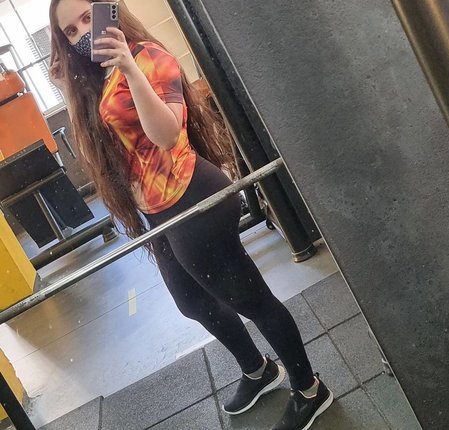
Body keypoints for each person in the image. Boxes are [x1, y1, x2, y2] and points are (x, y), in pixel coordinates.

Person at [49, 1, 333, 428]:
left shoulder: (148, 57)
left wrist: (129, 68)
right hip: (159, 211)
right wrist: (69, 88)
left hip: (193, 196)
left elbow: (166, 135)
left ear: (110, 11)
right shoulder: (99, 78)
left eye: (88, 17)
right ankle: (258, 370)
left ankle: (310, 389)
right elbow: (104, 149)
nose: (82, 34)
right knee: (192, 302)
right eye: (70, 32)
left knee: (251, 299)